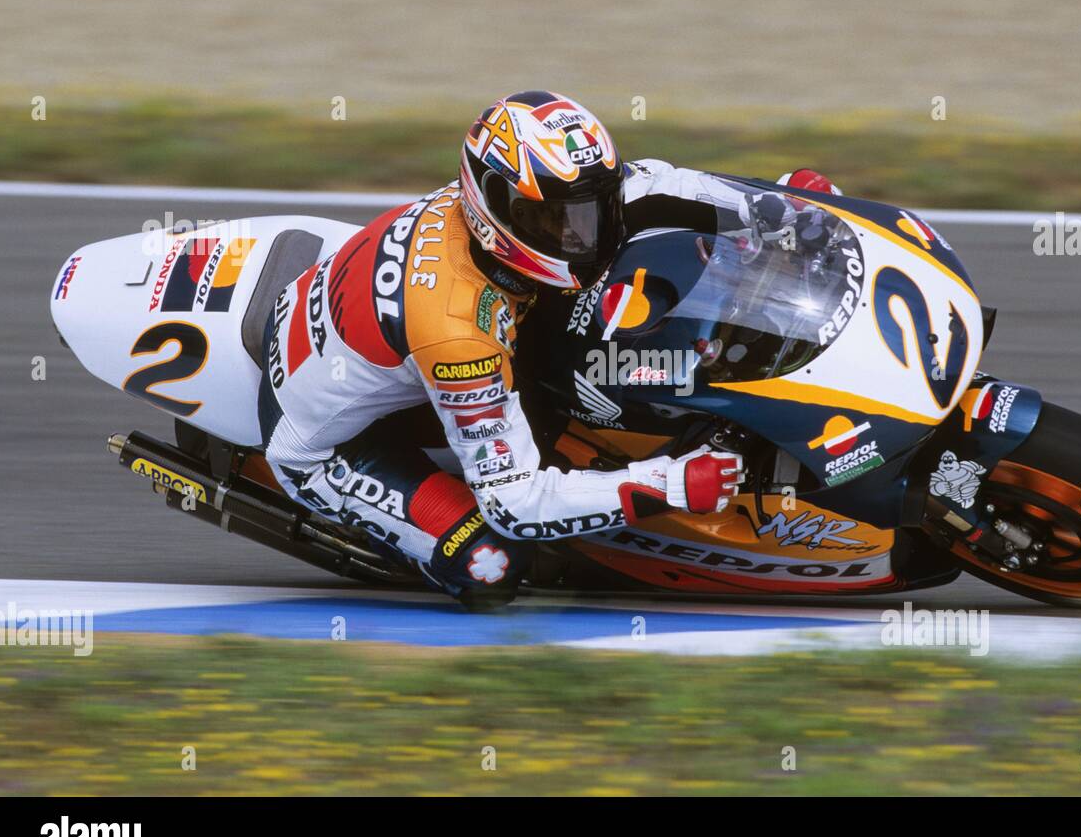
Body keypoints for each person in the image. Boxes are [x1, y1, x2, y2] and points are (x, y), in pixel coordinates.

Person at [257, 90, 838, 607]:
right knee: (493, 564)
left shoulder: (511, 205)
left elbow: (657, 184)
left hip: (374, 328)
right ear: (495, 210)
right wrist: (672, 484)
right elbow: (515, 501)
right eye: (557, 220)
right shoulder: (459, 333)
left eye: (592, 211)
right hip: (323, 444)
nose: (583, 236)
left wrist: (770, 206)